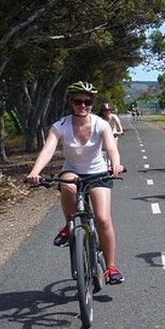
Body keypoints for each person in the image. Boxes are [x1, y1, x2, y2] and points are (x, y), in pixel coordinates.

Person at [25, 81, 125, 284]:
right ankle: (68, 225)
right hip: (72, 171)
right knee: (68, 185)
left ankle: (111, 267)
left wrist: (116, 164)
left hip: (97, 173)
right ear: (71, 102)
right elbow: (48, 150)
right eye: (78, 101)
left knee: (103, 219)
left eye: (88, 101)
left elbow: (111, 147)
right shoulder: (60, 126)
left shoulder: (101, 124)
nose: (83, 105)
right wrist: (35, 172)